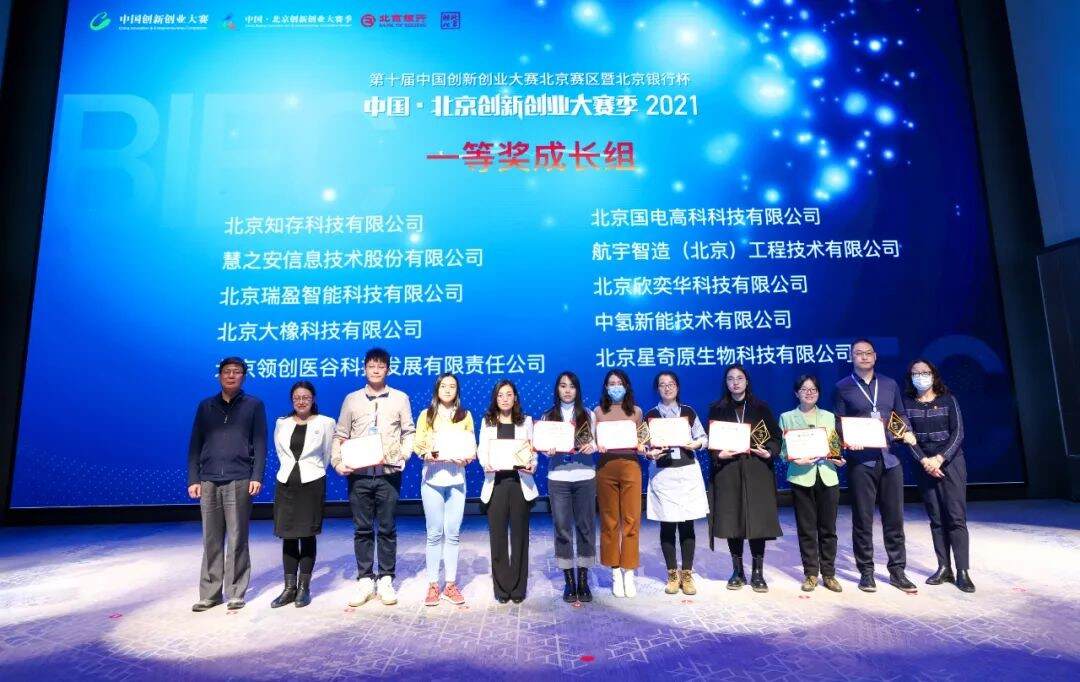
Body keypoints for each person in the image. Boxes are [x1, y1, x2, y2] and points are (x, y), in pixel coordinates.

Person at [331, 347, 416, 607]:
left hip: (388, 474)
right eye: (371, 366)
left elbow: (409, 432)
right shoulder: (352, 399)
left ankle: (387, 578)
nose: (376, 370)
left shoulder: (400, 398)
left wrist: (404, 455)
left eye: (381, 366)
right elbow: (340, 434)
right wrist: (337, 462)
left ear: (387, 370)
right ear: (365, 369)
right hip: (359, 475)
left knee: (387, 528)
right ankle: (366, 579)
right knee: (363, 529)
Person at [834, 338, 919, 593]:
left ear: (875, 356)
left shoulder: (890, 384)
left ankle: (897, 571)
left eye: (868, 352)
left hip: (890, 459)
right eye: (858, 353)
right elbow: (838, 422)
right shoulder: (842, 387)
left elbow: (900, 415)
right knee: (863, 519)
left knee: (894, 519)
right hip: (862, 461)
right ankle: (866, 572)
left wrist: (902, 432)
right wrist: (848, 440)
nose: (864, 356)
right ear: (851, 357)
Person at [187, 357, 268, 612]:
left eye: (237, 372)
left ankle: (235, 592)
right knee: (211, 539)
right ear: (219, 375)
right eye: (227, 371)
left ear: (244, 376)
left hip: (240, 477)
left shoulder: (254, 405)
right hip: (208, 479)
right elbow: (195, 444)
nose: (231, 375)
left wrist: (257, 476)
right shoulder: (206, 406)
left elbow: (260, 444)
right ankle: (210, 594)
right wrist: (194, 478)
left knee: (237, 537)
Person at [706, 364, 782, 593]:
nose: (735, 382)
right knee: (733, 520)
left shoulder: (761, 407)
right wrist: (718, 454)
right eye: (730, 379)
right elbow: (711, 442)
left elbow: (776, 438)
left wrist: (769, 452)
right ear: (726, 383)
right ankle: (737, 571)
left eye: (739, 378)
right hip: (728, 471)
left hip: (757, 470)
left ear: (747, 381)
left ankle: (757, 573)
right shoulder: (717, 409)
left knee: (757, 522)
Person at [903, 359, 974, 593]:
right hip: (924, 465)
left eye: (925, 372)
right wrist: (925, 461)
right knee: (936, 518)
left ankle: (962, 571)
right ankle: (944, 567)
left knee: (956, 517)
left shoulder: (948, 399)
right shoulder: (907, 403)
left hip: (950, 463)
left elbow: (958, 432)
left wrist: (940, 458)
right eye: (915, 373)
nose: (920, 376)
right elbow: (907, 437)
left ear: (933, 375)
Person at [270, 381, 335, 608]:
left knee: (307, 535)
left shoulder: (326, 422)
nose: (301, 401)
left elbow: (327, 455)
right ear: (292, 400)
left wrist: (314, 470)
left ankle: (304, 588)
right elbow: (280, 452)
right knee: (288, 535)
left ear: (313, 399)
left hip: (312, 483)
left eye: (305, 397)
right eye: (297, 397)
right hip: (286, 482)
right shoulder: (282, 423)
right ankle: (289, 589)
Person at [643, 371, 709, 596]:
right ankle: (672, 574)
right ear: (657, 389)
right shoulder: (650, 415)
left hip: (687, 473)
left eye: (671, 384)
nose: (667, 388)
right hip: (663, 475)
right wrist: (649, 453)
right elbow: (643, 446)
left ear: (677, 387)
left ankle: (687, 574)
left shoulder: (688, 412)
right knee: (667, 525)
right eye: (662, 385)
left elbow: (703, 438)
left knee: (687, 526)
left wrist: (695, 444)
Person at [413, 373, 475, 607]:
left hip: (457, 480)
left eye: (452, 386)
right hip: (432, 480)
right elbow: (418, 444)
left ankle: (450, 584)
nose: (448, 390)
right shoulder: (426, 415)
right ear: (437, 390)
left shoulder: (465, 415)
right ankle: (433, 584)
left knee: (453, 533)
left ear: (457, 391)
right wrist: (425, 453)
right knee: (434, 533)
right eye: (443, 386)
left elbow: (471, 446)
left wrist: (467, 458)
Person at [779, 375, 844, 593]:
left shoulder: (828, 416)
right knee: (806, 528)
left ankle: (829, 574)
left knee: (828, 529)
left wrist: (838, 458)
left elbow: (834, 447)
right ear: (796, 393)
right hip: (801, 477)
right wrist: (794, 459)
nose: (809, 393)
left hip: (827, 476)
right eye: (804, 389)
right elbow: (783, 452)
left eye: (813, 389)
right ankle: (811, 574)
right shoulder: (787, 418)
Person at [539, 371, 598, 603]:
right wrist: (547, 450)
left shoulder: (589, 414)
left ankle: (583, 579)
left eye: (572, 386)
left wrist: (593, 446)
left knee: (586, 527)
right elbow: (542, 446)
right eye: (563, 386)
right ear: (557, 389)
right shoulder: (548, 416)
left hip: (585, 475)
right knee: (562, 528)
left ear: (577, 390)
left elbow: (596, 442)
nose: (567, 390)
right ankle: (569, 581)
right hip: (558, 477)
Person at [478, 380, 538, 603]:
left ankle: (519, 588)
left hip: (519, 483)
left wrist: (532, 464)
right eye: (500, 395)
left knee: (520, 536)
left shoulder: (526, 421)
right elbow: (482, 450)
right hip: (496, 484)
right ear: (495, 398)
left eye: (509, 394)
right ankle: (502, 588)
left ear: (515, 398)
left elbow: (532, 451)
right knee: (498, 537)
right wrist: (485, 463)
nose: (505, 399)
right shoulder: (487, 422)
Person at [594, 369, 646, 598]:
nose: (616, 387)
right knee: (610, 521)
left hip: (631, 466)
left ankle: (629, 572)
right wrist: (597, 445)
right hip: (606, 467)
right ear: (606, 388)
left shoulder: (636, 411)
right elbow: (592, 441)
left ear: (626, 386)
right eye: (611, 383)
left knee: (631, 520)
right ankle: (615, 571)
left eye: (619, 383)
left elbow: (643, 441)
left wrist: (643, 446)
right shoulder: (598, 412)